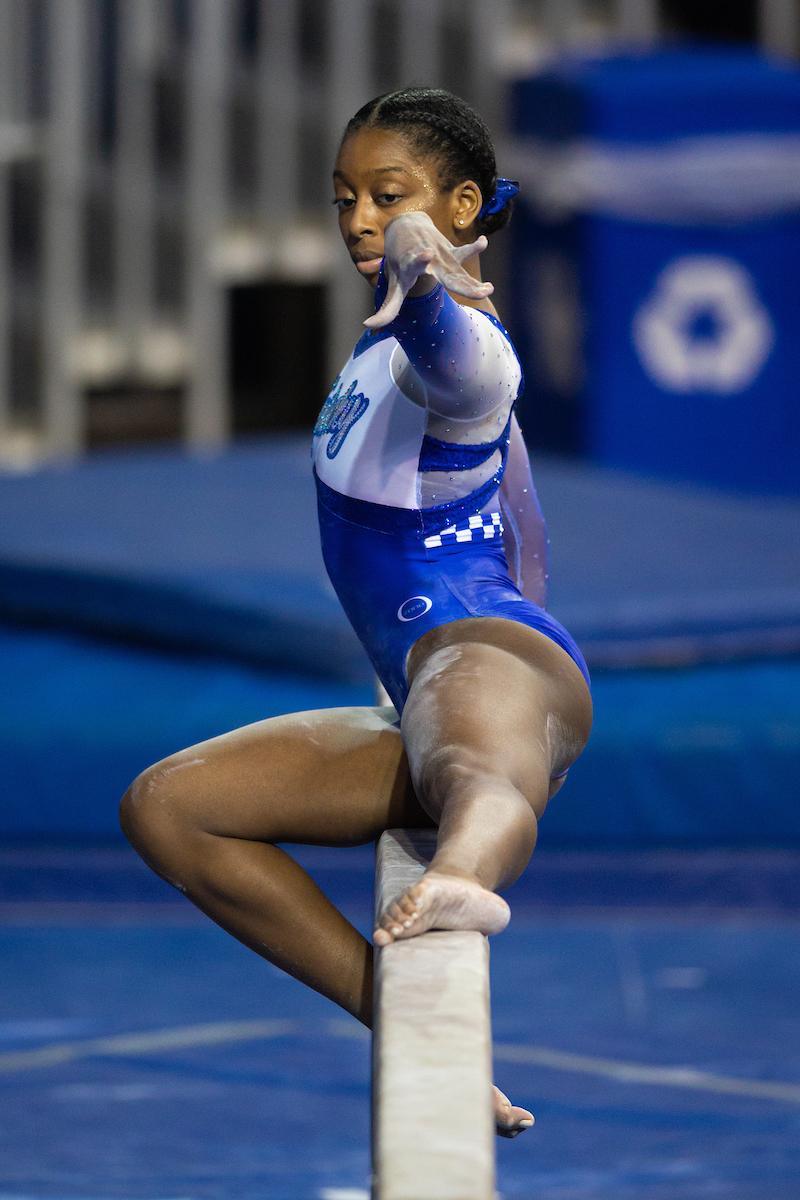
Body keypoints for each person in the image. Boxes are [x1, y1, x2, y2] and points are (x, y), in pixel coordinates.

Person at [120, 87, 592, 1138]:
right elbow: (517, 511)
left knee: (462, 759)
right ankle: (394, 1014)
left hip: (491, 659)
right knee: (166, 807)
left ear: (464, 203)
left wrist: (430, 285)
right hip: (420, 695)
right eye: (343, 198)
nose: (359, 221)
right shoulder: (377, 351)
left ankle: (466, 875)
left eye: (390, 196)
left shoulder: (468, 348)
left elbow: (460, 365)